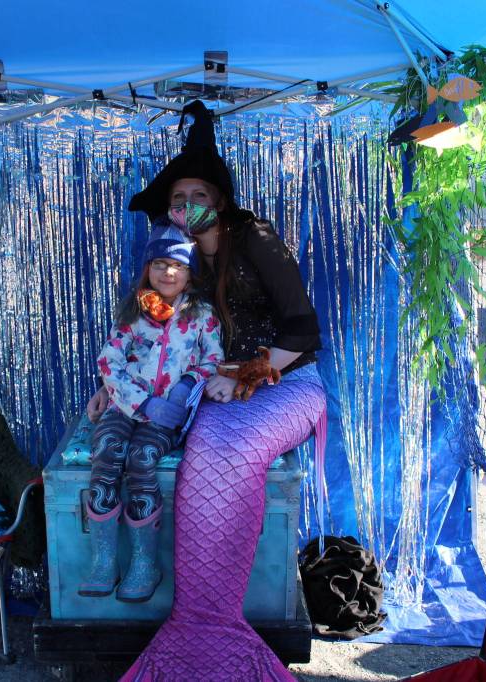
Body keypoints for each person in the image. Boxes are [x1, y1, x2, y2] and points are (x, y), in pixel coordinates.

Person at [87, 100, 327, 680]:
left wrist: (243, 373)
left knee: (227, 450)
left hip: (287, 378)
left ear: (219, 200)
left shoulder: (257, 238)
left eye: (199, 196)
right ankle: (199, 616)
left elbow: (304, 331)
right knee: (200, 452)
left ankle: (212, 622)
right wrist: (110, 390)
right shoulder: (178, 261)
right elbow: (149, 344)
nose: (187, 206)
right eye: (178, 199)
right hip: (216, 387)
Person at [80, 222, 223, 604]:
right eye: (159, 264)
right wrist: (139, 402)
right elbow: (109, 360)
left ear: (190, 273)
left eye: (177, 265)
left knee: (142, 460)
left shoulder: (201, 315)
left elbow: (214, 359)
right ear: (147, 269)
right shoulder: (134, 310)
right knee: (107, 450)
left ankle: (145, 562)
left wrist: (185, 386)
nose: (168, 272)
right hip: (125, 406)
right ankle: (104, 559)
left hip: (166, 415)